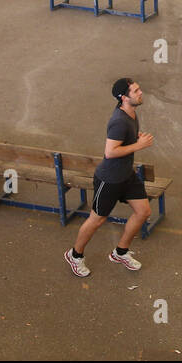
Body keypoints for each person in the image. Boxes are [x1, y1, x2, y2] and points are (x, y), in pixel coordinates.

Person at [65, 78, 155, 276]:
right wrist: (139, 146)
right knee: (97, 220)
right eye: (136, 91)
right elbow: (110, 152)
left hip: (126, 175)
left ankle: (120, 252)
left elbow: (124, 141)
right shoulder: (118, 121)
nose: (141, 92)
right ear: (124, 97)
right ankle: (75, 255)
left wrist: (135, 138)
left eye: (139, 89)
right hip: (109, 179)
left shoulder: (131, 113)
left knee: (143, 212)